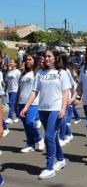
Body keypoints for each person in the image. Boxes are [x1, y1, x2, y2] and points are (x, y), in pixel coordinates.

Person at [20, 48, 70, 179]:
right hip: (43, 109)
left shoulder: (62, 73)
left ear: (56, 58)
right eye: (45, 56)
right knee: (52, 136)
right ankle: (60, 159)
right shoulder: (40, 73)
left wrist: (63, 109)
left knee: (48, 136)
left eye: (49, 56)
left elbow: (65, 93)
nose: (46, 58)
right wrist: (26, 106)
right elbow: (34, 91)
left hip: (56, 108)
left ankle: (49, 167)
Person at [16, 54, 45, 153]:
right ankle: (30, 144)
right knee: (25, 125)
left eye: (30, 59)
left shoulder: (38, 73)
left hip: (33, 102)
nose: (27, 61)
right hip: (21, 102)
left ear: (35, 60)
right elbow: (19, 89)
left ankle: (40, 138)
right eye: (26, 60)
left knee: (29, 122)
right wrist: (16, 102)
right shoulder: (23, 73)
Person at [5, 59, 21, 124]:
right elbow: (6, 81)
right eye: (10, 62)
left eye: (11, 62)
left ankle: (10, 118)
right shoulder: (9, 72)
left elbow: (20, 82)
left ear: (15, 64)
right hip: (9, 90)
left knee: (11, 104)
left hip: (15, 90)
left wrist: (19, 92)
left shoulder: (18, 72)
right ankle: (18, 117)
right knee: (14, 105)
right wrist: (5, 90)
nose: (10, 63)